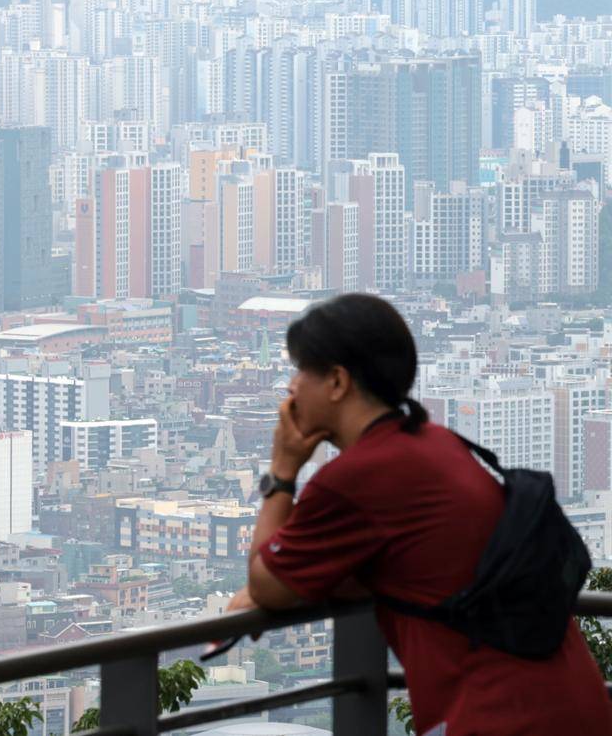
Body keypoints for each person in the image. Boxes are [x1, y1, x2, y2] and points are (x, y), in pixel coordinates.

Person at [228, 293, 612, 736]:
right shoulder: (437, 444)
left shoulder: (355, 478)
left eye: (300, 371)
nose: (291, 387)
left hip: (501, 716)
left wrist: (282, 470)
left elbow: (268, 586)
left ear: (336, 382)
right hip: (572, 699)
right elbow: (401, 565)